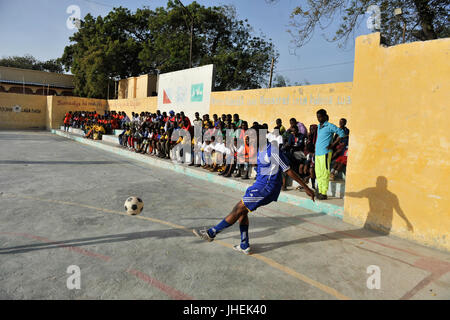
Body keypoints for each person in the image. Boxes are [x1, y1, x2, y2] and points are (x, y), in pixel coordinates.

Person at [193, 134, 315, 254]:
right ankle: (244, 245)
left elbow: (288, 170)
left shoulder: (273, 151)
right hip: (259, 185)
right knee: (243, 212)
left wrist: (306, 188)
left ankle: (211, 233)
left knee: (238, 209)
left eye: (250, 138)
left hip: (267, 188)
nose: (247, 140)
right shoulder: (260, 150)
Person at [315, 109, 345, 200]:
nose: (319, 119)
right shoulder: (319, 126)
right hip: (318, 153)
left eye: (320, 117)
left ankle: (324, 193)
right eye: (317, 117)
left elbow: (342, 133)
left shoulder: (330, 126)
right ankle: (320, 190)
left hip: (325, 153)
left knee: (324, 173)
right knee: (319, 173)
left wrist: (333, 144)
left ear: (325, 116)